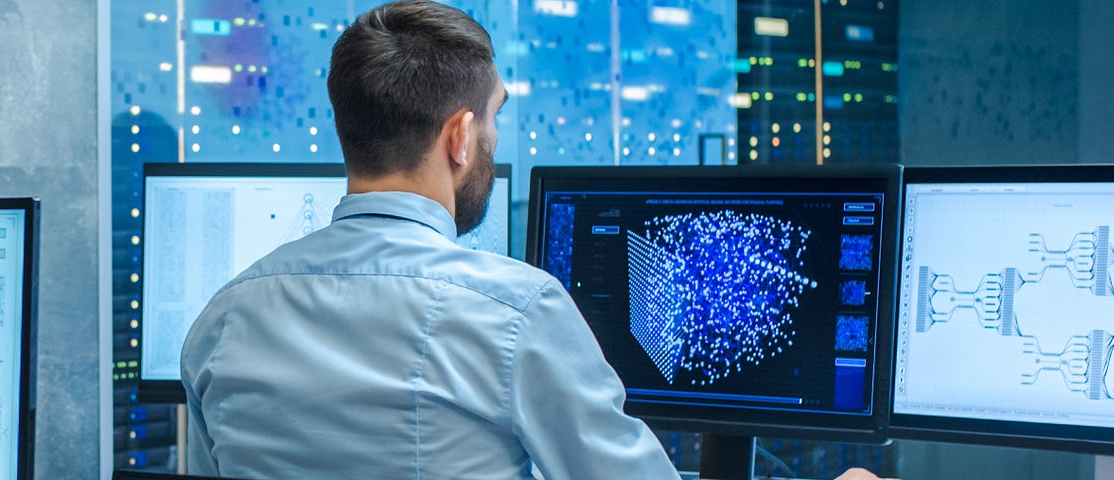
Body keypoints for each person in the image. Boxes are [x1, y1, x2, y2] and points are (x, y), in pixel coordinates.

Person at [180, 1, 893, 479]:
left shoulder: (220, 319)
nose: (492, 140)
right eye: (492, 120)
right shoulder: (513, 312)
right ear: (458, 137)